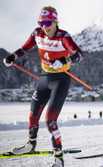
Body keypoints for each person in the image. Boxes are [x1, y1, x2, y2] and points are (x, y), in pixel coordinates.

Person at [3, 6, 83, 167]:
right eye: (41, 23)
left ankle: (59, 159)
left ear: (55, 22)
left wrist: (64, 61)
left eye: (48, 23)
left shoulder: (63, 37)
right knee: (33, 115)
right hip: (44, 78)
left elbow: (78, 55)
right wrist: (13, 56)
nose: (44, 27)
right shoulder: (36, 33)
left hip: (61, 80)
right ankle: (31, 144)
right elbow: (25, 48)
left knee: (50, 121)